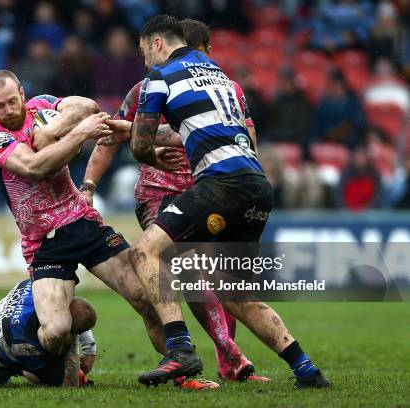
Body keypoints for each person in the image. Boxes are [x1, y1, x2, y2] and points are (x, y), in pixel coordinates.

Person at [119, 15, 330, 388]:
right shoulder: (218, 74)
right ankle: (307, 370)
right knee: (236, 295)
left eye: (143, 51)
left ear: (156, 44)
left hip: (221, 184)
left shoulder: (158, 78)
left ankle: (180, 350)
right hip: (257, 186)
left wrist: (149, 154)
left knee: (146, 252)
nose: (144, 61)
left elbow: (140, 144)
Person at [80, 18, 267, 383]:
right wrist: (87, 186)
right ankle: (215, 357)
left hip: (213, 190)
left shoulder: (228, 90)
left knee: (224, 281)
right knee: (187, 271)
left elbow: (246, 141)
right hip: (160, 192)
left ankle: (223, 360)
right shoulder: (148, 87)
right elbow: (110, 137)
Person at [0, 70, 183, 388]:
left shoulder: (42, 106)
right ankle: (39, 344)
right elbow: (34, 167)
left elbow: (87, 106)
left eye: (12, 102)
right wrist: (77, 133)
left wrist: (56, 128)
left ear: (22, 93)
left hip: (83, 221)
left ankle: (180, 372)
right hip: (44, 242)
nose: (8, 111)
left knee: (146, 297)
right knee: (56, 331)